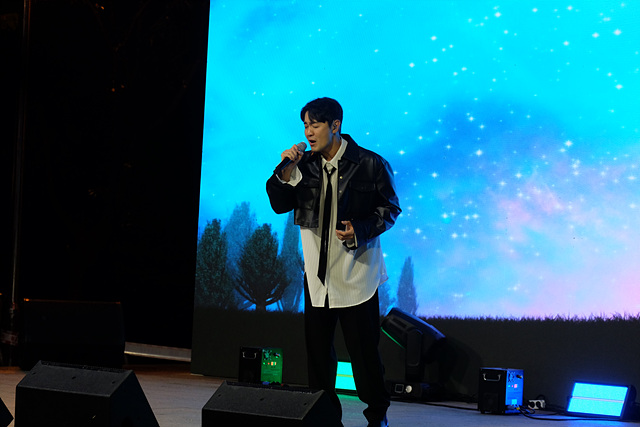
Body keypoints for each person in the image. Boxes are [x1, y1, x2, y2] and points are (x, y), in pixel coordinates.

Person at [266, 97, 401, 427]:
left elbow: (390, 209)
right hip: (317, 276)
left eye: (315, 125)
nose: (308, 133)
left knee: (364, 356)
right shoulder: (304, 165)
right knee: (318, 356)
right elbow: (278, 203)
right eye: (305, 126)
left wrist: (360, 229)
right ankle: (324, 419)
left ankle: (377, 416)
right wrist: (284, 171)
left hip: (356, 273)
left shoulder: (370, 163)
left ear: (335, 125)